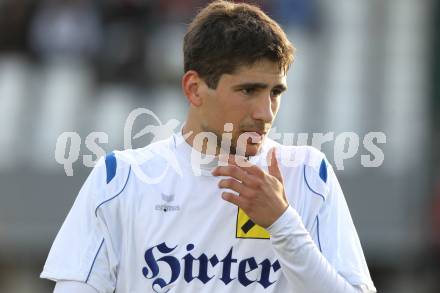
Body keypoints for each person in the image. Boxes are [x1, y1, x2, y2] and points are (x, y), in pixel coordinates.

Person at [41, 1, 377, 292]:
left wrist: (283, 224)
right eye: (249, 90)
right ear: (194, 89)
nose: (266, 113)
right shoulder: (120, 178)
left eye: (276, 92)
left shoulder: (307, 175)